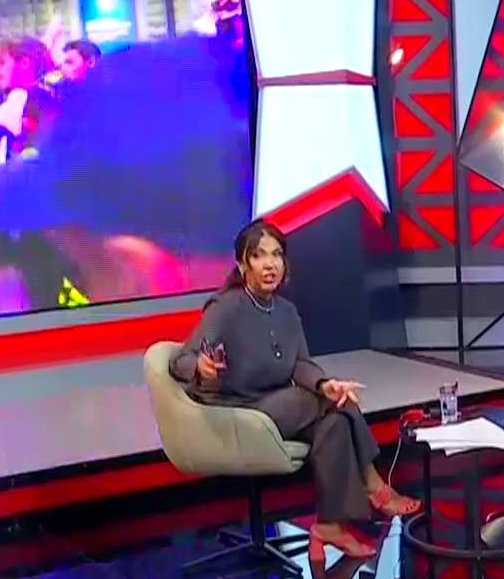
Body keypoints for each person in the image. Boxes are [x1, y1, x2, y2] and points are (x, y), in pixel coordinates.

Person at [168, 219, 420, 557]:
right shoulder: (226, 307)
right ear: (243, 265)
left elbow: (301, 364)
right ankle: (375, 486)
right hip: (244, 407)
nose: (270, 264)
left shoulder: (286, 311)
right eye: (259, 256)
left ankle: (329, 525)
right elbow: (179, 361)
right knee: (336, 403)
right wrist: (200, 367)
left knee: (334, 421)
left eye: (276, 255)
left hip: (280, 403)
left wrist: (325, 383)